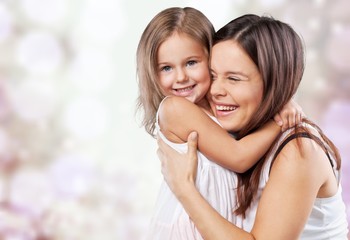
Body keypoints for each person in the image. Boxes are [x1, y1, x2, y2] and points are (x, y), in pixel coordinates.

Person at [157, 14, 349, 239]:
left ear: (273, 83)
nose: (216, 90)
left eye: (234, 79)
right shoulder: (240, 133)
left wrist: (184, 189)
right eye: (212, 75)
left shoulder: (298, 150)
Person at [137, 7, 303, 240]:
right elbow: (238, 158)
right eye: (166, 68)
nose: (181, 77)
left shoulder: (222, 107)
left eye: (192, 62)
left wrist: (279, 100)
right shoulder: (175, 109)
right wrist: (280, 120)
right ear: (152, 73)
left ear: (211, 56)